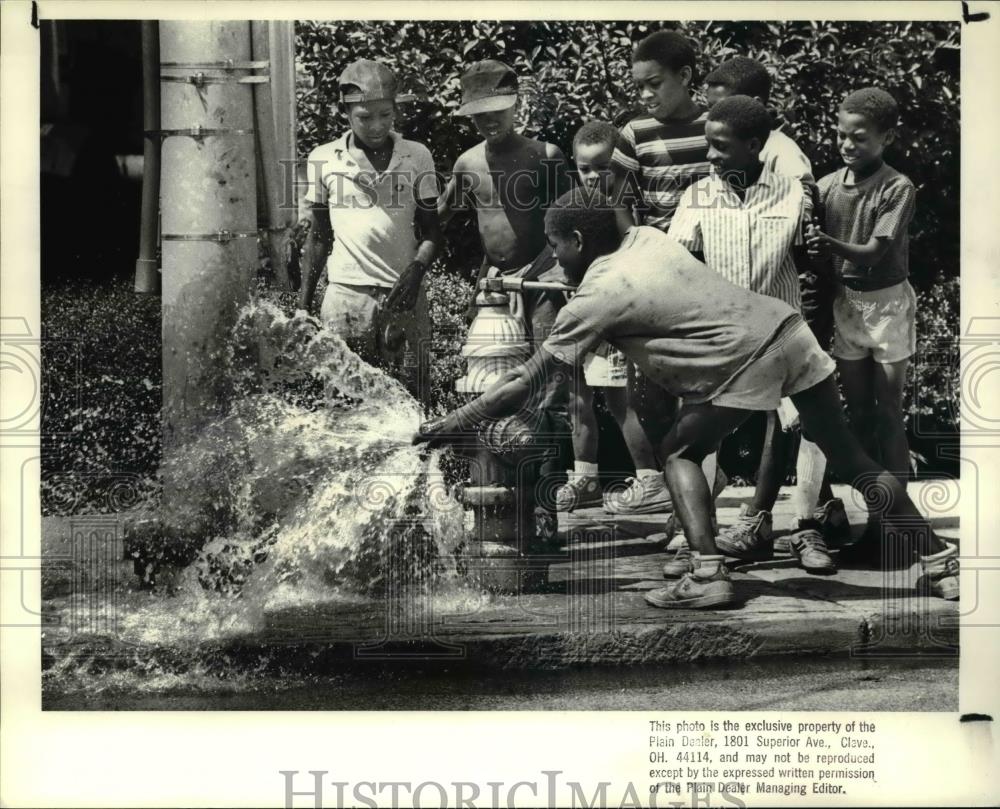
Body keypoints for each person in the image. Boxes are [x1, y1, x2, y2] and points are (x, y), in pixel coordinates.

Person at [414, 188, 959, 609]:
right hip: (788, 329)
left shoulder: (595, 297)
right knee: (851, 458)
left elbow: (521, 384)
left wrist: (443, 426)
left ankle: (707, 573)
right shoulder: (647, 239)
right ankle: (940, 561)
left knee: (679, 453)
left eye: (557, 248)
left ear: (577, 242)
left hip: (747, 355)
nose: (555, 262)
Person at [668, 95, 834, 575]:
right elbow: (678, 265)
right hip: (720, 336)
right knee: (697, 433)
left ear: (755, 144)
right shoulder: (697, 194)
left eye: (721, 146)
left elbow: (813, 262)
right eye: (708, 145)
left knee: (805, 426)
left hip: (782, 334)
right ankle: (695, 539)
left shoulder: (793, 193)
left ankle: (806, 527)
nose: (711, 156)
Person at [704, 55, 850, 555]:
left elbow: (805, 241)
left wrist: (808, 300)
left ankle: (787, 517)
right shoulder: (726, 168)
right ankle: (817, 511)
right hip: (750, 311)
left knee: (795, 412)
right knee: (777, 413)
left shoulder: (785, 158)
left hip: (788, 308)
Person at [438, 59, 575, 518]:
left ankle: (545, 505)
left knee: (549, 389)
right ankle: (505, 499)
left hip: (542, 284)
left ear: (517, 104)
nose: (489, 121)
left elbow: (568, 224)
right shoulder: (467, 163)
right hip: (496, 291)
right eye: (479, 114)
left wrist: (541, 272)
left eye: (497, 110)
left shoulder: (546, 156)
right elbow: (441, 218)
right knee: (491, 384)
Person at [608, 30, 720, 513]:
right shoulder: (634, 134)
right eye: (638, 88)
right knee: (653, 398)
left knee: (707, 401)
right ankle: (679, 507)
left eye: (654, 84)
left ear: (686, 77)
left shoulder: (717, 127)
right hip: (656, 282)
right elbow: (620, 204)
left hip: (712, 281)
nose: (645, 96)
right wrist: (643, 257)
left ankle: (697, 522)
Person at [807, 87, 918, 554]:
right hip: (847, 306)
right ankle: (876, 521)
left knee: (889, 416)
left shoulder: (898, 187)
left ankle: (896, 526)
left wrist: (827, 244)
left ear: (887, 137)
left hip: (887, 305)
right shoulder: (828, 186)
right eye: (840, 136)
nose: (848, 145)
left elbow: (876, 253)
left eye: (859, 138)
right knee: (861, 417)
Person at [299, 59, 441, 404]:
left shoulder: (417, 156)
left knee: (412, 401)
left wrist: (416, 272)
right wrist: (303, 306)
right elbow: (319, 237)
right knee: (345, 404)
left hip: (404, 296)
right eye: (365, 117)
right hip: (346, 299)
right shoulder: (324, 158)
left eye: (385, 115)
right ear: (345, 113)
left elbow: (433, 231)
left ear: (395, 111)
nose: (376, 126)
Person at [554, 120, 667, 514]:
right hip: (583, 311)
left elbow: (633, 256)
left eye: (603, 168)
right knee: (576, 397)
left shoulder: (622, 208)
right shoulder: (572, 203)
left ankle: (650, 480)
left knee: (620, 400)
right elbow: (556, 249)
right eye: (585, 168)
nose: (593, 177)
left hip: (615, 316)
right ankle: (585, 476)